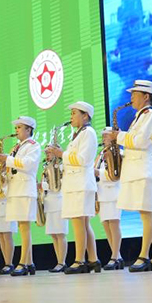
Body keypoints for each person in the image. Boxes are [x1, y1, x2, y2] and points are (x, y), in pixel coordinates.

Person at [114, 82, 152, 273]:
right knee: (149, 214)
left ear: (145, 96)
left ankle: (144, 255)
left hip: (143, 170)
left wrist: (118, 136)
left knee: (146, 214)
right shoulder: (140, 116)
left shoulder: (150, 115)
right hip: (137, 170)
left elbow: (141, 142)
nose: (131, 98)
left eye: (134, 94)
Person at [47, 102, 100, 275]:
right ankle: (93, 259)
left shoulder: (88, 133)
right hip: (76, 184)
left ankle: (79, 260)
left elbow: (83, 159)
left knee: (79, 223)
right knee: (84, 224)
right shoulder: (80, 134)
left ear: (85, 116)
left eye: (74, 113)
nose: (71, 117)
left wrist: (61, 154)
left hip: (81, 184)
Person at [0, 116, 42, 276]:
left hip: (24, 189)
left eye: (19, 127)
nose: (16, 131)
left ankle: (23, 262)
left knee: (24, 227)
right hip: (15, 190)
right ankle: (29, 263)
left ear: (29, 129)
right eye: (16, 128)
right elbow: (13, 166)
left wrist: (8, 159)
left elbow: (28, 164)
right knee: (22, 227)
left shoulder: (33, 145)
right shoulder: (16, 147)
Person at [96, 128, 124, 270]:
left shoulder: (118, 152)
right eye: (103, 137)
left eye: (106, 136)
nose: (104, 139)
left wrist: (98, 173)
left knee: (114, 224)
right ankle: (117, 256)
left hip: (113, 193)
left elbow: (116, 174)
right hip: (102, 194)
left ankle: (115, 257)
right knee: (106, 225)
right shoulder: (101, 154)